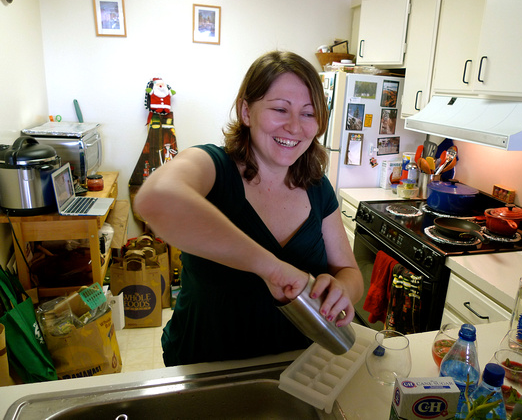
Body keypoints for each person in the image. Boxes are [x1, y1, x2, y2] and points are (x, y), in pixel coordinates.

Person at [134, 50, 363, 365]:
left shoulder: (317, 187)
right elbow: (156, 198)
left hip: (294, 366)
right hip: (205, 368)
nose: (295, 127)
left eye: (309, 114)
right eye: (280, 109)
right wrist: (274, 270)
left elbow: (350, 272)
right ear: (246, 111)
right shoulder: (212, 166)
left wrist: (342, 290)